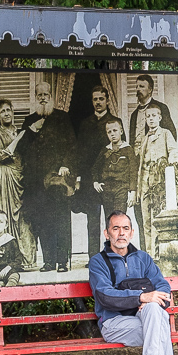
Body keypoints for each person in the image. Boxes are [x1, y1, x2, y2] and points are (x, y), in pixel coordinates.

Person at [88, 211, 178, 355]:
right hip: (114, 324)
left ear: (131, 233)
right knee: (161, 329)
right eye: (116, 228)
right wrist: (140, 297)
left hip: (144, 320)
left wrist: (152, 301)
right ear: (107, 233)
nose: (121, 233)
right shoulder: (98, 262)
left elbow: (162, 286)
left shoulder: (143, 258)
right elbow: (104, 296)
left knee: (154, 311)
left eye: (125, 228)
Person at [16, 81, 77, 272]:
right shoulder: (29, 121)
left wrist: (66, 164)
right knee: (42, 222)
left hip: (57, 180)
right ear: (36, 97)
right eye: (39, 95)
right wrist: (32, 130)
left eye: (46, 94)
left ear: (51, 97)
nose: (43, 98)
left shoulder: (62, 118)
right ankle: (49, 261)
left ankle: (62, 262)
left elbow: (72, 145)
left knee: (60, 220)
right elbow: (21, 149)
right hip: (36, 182)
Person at [0, 98, 35, 266]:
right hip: (5, 176)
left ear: (13, 112)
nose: (6, 113)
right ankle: (8, 259)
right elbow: (1, 156)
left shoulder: (19, 131)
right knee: (7, 215)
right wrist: (18, 141)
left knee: (23, 218)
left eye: (8, 110)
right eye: (2, 111)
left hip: (20, 176)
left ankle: (25, 259)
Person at [76, 86, 124, 256]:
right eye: (95, 99)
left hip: (111, 180)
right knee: (93, 220)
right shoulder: (85, 124)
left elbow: (121, 151)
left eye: (101, 99)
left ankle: (111, 254)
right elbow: (80, 153)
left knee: (111, 219)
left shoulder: (114, 122)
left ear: (107, 101)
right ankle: (93, 257)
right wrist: (80, 178)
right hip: (92, 180)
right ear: (92, 101)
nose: (98, 102)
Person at [136, 104, 178, 253]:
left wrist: (169, 166)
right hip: (144, 184)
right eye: (148, 116)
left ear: (160, 118)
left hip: (159, 183)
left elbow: (174, 152)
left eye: (154, 116)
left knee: (158, 219)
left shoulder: (166, 134)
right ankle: (149, 254)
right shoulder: (145, 139)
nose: (151, 119)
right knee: (146, 221)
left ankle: (159, 254)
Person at [92, 116, 138, 220]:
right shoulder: (105, 150)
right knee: (109, 219)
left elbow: (133, 171)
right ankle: (109, 237)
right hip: (107, 189)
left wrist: (133, 191)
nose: (112, 134)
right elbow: (95, 168)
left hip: (121, 188)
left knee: (119, 217)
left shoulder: (128, 149)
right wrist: (95, 182)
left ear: (121, 131)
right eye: (109, 132)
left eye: (115, 130)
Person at [128, 73, 177, 152]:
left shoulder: (161, 108)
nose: (138, 89)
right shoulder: (134, 114)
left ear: (150, 90)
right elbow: (131, 140)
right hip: (136, 156)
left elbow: (172, 134)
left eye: (141, 86)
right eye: (136, 87)